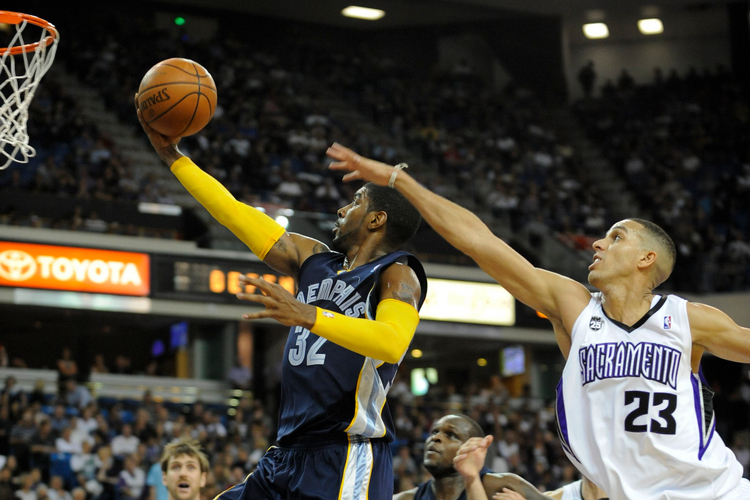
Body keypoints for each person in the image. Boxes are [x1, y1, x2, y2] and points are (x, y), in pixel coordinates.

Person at [326, 143, 750, 500]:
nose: (598, 243)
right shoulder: (576, 308)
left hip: (715, 492)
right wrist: (399, 181)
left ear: (646, 259)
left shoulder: (687, 319)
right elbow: (480, 242)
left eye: (617, 236)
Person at [136, 97, 428, 499]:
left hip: (345, 454)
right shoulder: (313, 259)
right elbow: (233, 212)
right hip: (287, 453)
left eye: (357, 202)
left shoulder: (398, 273)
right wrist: (173, 157)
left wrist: (309, 315)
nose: (343, 208)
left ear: (377, 220)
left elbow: (392, 343)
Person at [393, 414, 550, 500]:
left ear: (473, 447)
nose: (436, 438)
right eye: (434, 432)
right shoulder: (407, 498)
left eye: (451, 434)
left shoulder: (502, 485)